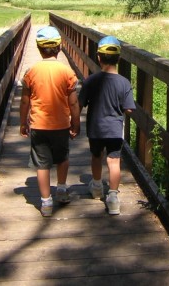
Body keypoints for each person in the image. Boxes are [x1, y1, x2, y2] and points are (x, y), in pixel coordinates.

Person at [20, 26, 80, 217]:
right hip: (61, 124)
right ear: (59, 48)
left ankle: (46, 202)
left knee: (42, 164)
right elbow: (74, 103)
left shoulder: (31, 72)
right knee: (62, 158)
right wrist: (76, 123)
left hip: (38, 125)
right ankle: (61, 189)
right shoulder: (67, 72)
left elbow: (24, 100)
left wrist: (23, 122)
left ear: (38, 48)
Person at [78, 35, 136, 215]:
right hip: (114, 129)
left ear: (98, 57)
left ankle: (96, 186)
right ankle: (112, 196)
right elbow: (129, 110)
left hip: (95, 128)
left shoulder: (90, 81)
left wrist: (73, 123)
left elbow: (79, 104)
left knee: (96, 156)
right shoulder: (124, 82)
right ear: (119, 59)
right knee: (114, 160)